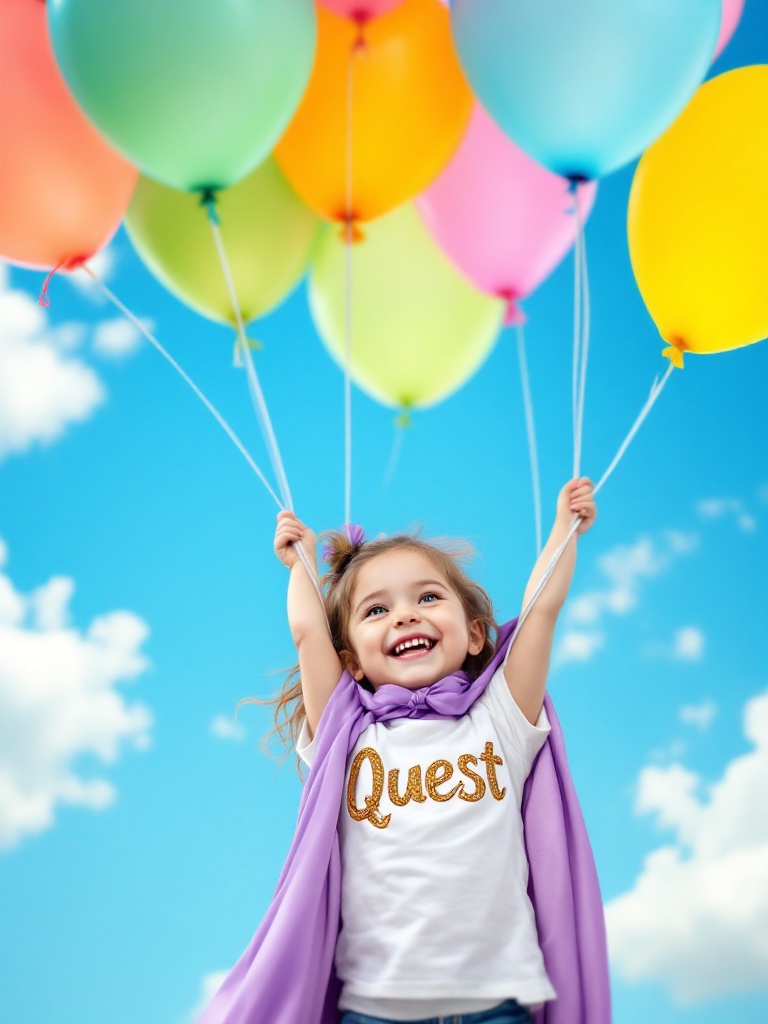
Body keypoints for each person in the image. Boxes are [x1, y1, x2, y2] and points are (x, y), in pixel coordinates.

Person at [265, 476, 598, 1024]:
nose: (404, 615)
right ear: (350, 663)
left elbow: (539, 613)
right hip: (377, 1009)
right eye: (376, 610)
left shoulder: (500, 722)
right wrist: (298, 567)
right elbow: (308, 634)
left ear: (472, 634)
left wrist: (566, 528)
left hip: (495, 1004)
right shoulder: (346, 741)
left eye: (427, 597)